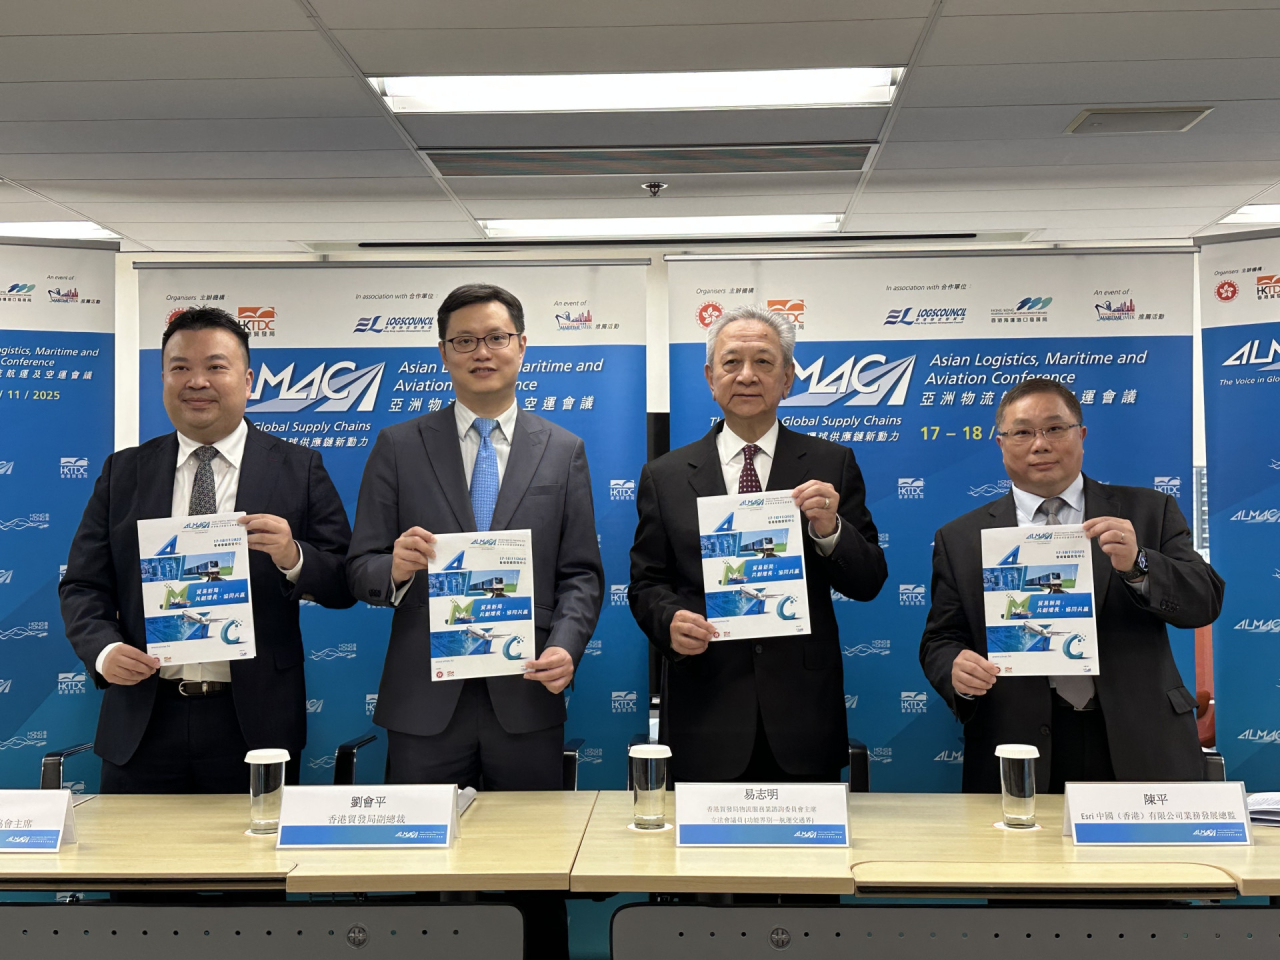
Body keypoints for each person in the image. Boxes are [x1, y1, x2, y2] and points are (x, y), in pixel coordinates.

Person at [60, 307, 354, 793]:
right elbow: (82, 585)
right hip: (143, 716)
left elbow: (345, 581)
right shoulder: (124, 473)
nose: (197, 381)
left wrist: (292, 556)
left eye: (216, 366)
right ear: (163, 378)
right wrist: (104, 650)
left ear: (248, 378)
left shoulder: (297, 468)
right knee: (135, 865)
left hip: (254, 720)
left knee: (252, 866)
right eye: (180, 368)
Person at [346, 283, 603, 787]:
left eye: (496, 338)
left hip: (527, 692)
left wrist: (567, 648)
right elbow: (359, 569)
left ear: (522, 346)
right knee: (420, 854)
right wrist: (395, 568)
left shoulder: (563, 449)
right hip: (424, 703)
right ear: (443, 353)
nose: (481, 352)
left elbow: (581, 574)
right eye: (464, 341)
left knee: (529, 853)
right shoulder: (398, 446)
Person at [919, 377, 1224, 793]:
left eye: (1054, 428)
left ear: (1080, 435)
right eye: (1022, 432)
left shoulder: (1148, 511)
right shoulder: (961, 538)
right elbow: (941, 639)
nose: (1039, 444)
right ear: (1001, 444)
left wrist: (1138, 565)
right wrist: (954, 667)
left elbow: (1204, 601)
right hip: (1017, 742)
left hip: (1141, 739)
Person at [629, 304, 887, 784]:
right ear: (710, 376)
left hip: (803, 713)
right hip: (705, 708)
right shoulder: (664, 476)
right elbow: (646, 584)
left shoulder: (832, 464)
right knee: (701, 860)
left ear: (788, 379)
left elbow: (869, 580)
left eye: (764, 362)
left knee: (806, 856)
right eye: (732, 362)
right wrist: (669, 621)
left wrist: (830, 530)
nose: (747, 375)